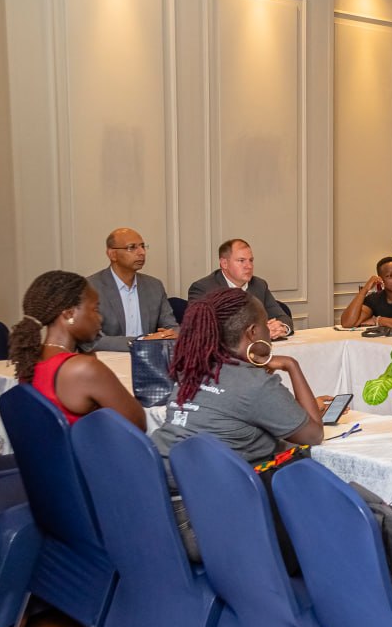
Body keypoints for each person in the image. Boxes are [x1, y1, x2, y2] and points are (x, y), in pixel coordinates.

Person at [151, 289, 331, 564]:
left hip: (157, 509)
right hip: (202, 525)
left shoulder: (194, 368)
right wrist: (292, 366)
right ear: (252, 333)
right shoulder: (253, 384)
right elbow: (313, 434)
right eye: (265, 324)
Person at [8, 270, 146, 429]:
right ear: (69, 314)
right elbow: (138, 423)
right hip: (87, 445)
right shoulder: (83, 368)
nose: (100, 318)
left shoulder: (31, 356)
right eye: (95, 309)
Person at [84, 227, 179, 351]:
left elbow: (172, 327)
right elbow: (91, 340)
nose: (142, 252)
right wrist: (141, 341)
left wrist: (171, 335)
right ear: (112, 254)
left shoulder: (154, 286)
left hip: (149, 357)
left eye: (143, 246)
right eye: (132, 247)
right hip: (108, 358)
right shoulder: (90, 287)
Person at [188, 238, 293, 338]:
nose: (249, 266)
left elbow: (283, 317)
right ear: (224, 263)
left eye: (251, 260)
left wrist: (281, 328)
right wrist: (254, 332)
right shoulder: (203, 288)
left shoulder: (259, 285)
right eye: (241, 260)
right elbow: (199, 329)